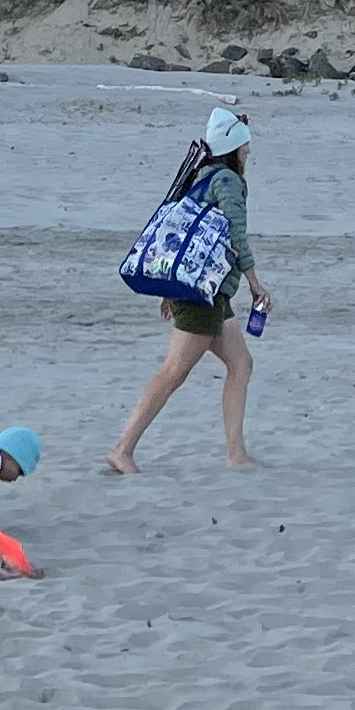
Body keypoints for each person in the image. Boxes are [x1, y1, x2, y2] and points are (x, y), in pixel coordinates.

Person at [104, 107, 269, 474]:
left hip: (207, 293)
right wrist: (255, 283)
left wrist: (171, 288)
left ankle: (236, 454)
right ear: (233, 148)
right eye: (245, 145)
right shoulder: (228, 181)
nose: (248, 151)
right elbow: (236, 235)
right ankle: (122, 449)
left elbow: (179, 237)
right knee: (173, 373)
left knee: (241, 364)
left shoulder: (201, 177)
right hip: (200, 297)